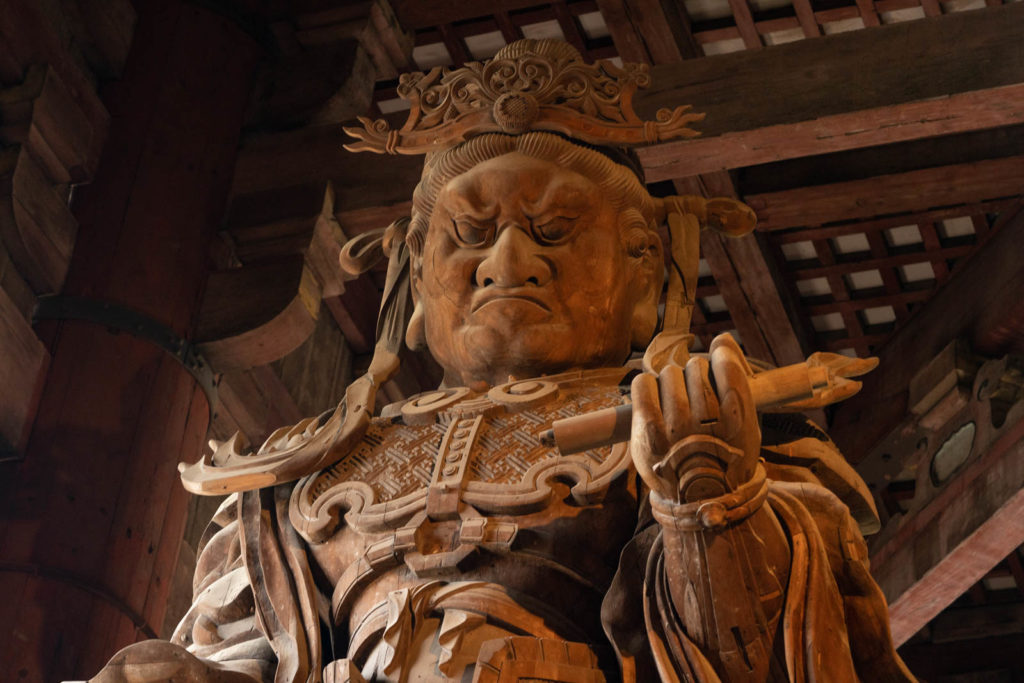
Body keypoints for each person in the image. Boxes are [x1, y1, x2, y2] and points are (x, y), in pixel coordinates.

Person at [93, 39, 915, 682]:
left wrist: (710, 496)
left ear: (643, 273)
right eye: (472, 234)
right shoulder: (300, 479)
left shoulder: (713, 425)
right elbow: (248, 655)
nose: (508, 261)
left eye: (555, 230)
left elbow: (785, 659)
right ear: (414, 276)